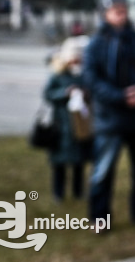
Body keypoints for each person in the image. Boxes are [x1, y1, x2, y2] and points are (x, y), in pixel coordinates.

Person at [83, 0, 135, 228]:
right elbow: (91, 79)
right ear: (105, 14)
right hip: (110, 119)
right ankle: (100, 218)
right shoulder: (96, 44)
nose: (122, 13)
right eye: (116, 10)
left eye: (124, 9)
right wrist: (119, 96)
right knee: (103, 171)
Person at [42, 36, 91, 202]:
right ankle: (58, 193)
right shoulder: (57, 74)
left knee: (79, 162)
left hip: (79, 124)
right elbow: (47, 94)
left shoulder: (83, 74)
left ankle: (78, 192)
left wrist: (85, 93)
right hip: (61, 125)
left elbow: (92, 90)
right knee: (59, 164)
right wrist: (64, 93)